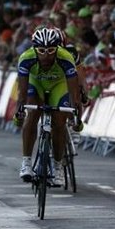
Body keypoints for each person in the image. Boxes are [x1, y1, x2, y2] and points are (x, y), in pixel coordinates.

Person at [14, 27, 82, 186]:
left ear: (58, 48)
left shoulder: (65, 58)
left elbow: (73, 92)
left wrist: (75, 114)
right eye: (42, 50)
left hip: (58, 85)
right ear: (34, 48)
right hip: (36, 84)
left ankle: (58, 166)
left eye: (51, 50)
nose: (46, 55)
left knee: (59, 124)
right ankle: (26, 163)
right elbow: (22, 92)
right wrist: (20, 110)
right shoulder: (26, 58)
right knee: (31, 116)